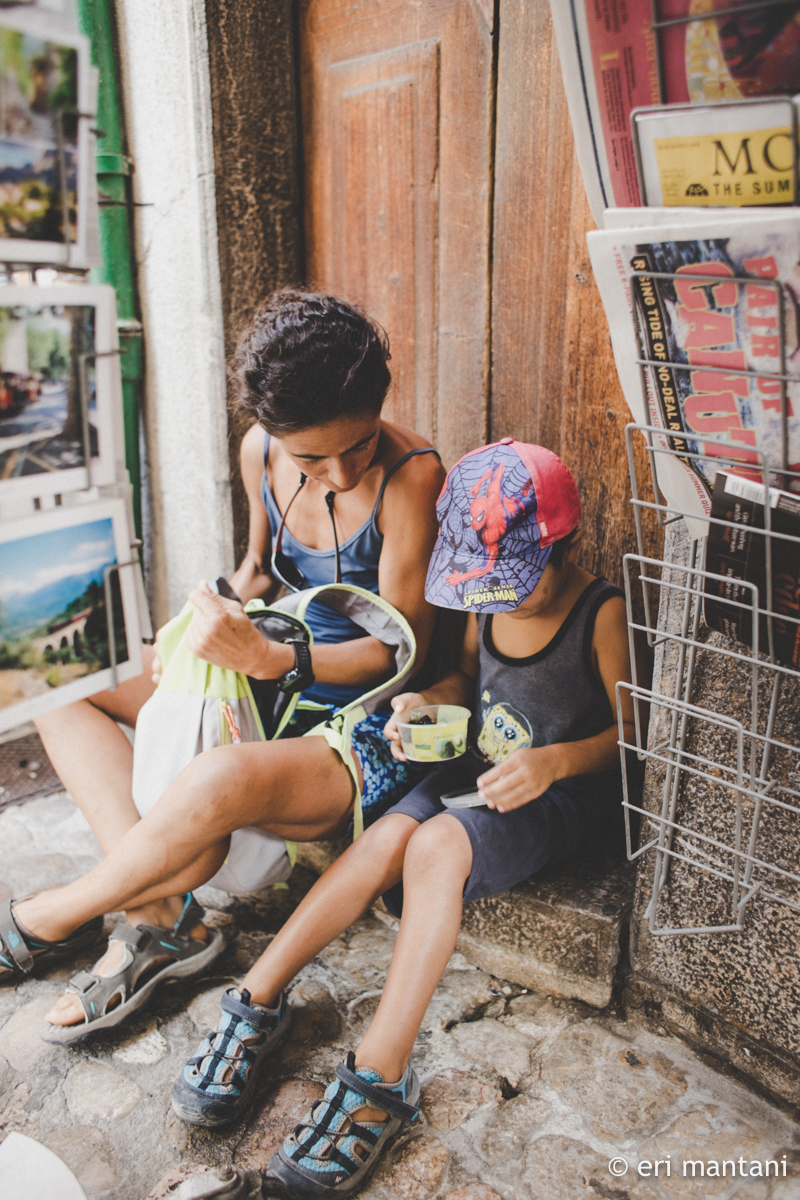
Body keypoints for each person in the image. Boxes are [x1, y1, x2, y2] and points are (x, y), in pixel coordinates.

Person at [2, 440, 636, 1200]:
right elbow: (464, 677)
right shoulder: (487, 606)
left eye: (513, 585)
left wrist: (555, 764)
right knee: (384, 838)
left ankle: (379, 1076)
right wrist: (428, 703)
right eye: (484, 588)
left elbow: (635, 737)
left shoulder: (602, 614)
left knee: (431, 845)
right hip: (478, 770)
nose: (498, 600)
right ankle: (256, 1000)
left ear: (562, 544)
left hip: (552, 796)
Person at [2, 291, 444, 1037]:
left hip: (353, 722)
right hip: (266, 678)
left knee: (211, 779)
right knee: (57, 680)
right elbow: (257, 572)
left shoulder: (413, 478)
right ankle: (160, 913)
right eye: (312, 456)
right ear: (270, 434)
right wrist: (196, 623)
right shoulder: (259, 454)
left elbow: (404, 652)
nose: (338, 473)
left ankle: (50, 915)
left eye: (359, 444)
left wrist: (274, 657)